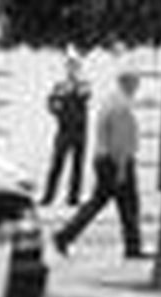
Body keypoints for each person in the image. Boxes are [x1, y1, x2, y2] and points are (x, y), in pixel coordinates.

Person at [53, 69, 144, 260]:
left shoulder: (110, 101)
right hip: (116, 161)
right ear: (128, 83)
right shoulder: (121, 106)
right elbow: (119, 142)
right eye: (136, 83)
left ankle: (65, 236)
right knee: (127, 204)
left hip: (104, 160)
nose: (138, 87)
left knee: (105, 203)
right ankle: (132, 247)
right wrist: (121, 169)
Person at [41, 53, 90, 206]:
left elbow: (85, 95)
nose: (73, 70)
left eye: (76, 67)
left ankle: (73, 197)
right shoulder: (60, 85)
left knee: (77, 166)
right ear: (66, 68)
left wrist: (75, 86)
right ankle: (48, 196)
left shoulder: (83, 84)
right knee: (56, 164)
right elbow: (51, 103)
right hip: (64, 130)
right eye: (70, 67)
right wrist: (57, 107)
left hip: (80, 131)